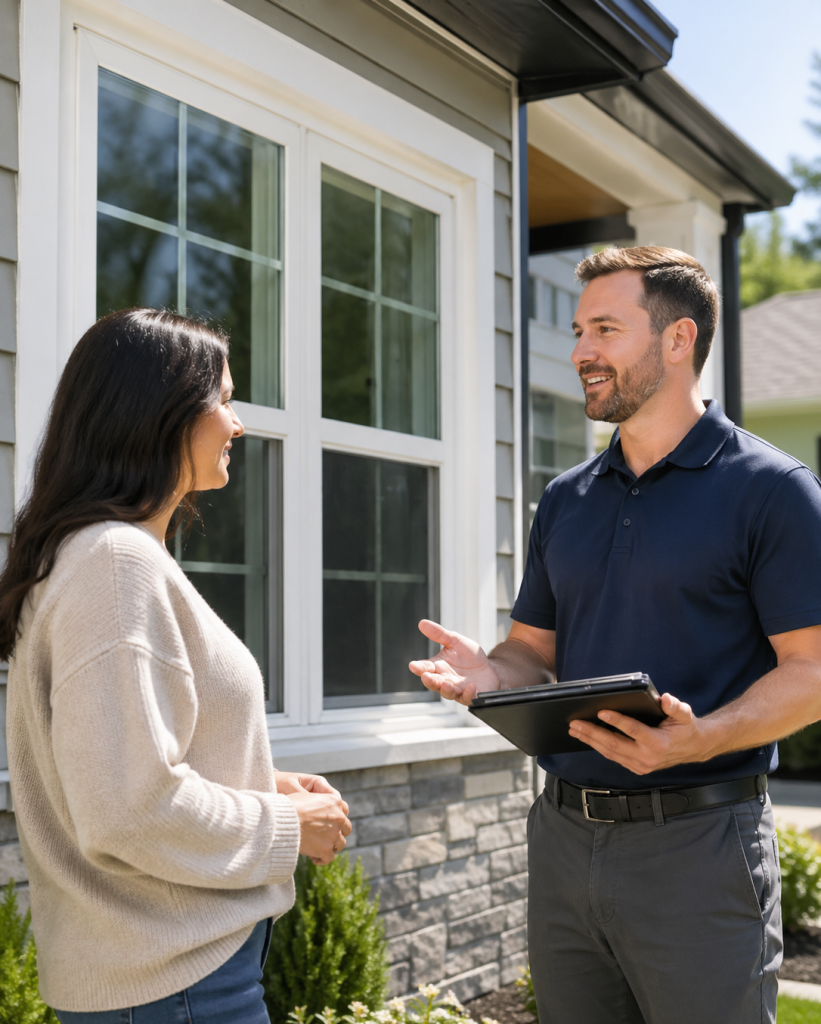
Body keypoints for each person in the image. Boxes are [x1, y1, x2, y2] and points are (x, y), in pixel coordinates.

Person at [409, 246, 821, 1024]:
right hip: (564, 839)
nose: (579, 353)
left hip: (698, 846)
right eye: (576, 331)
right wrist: (489, 677)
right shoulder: (566, 499)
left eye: (605, 328)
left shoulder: (772, 491)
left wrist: (702, 739)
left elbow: (812, 670)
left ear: (678, 340)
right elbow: (532, 651)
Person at [0, 309, 352, 1023]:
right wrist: (287, 824)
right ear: (158, 414)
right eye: (222, 398)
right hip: (172, 987)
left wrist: (258, 778)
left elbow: (116, 767)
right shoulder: (114, 566)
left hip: (165, 980)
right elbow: (129, 811)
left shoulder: (102, 556)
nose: (238, 423)